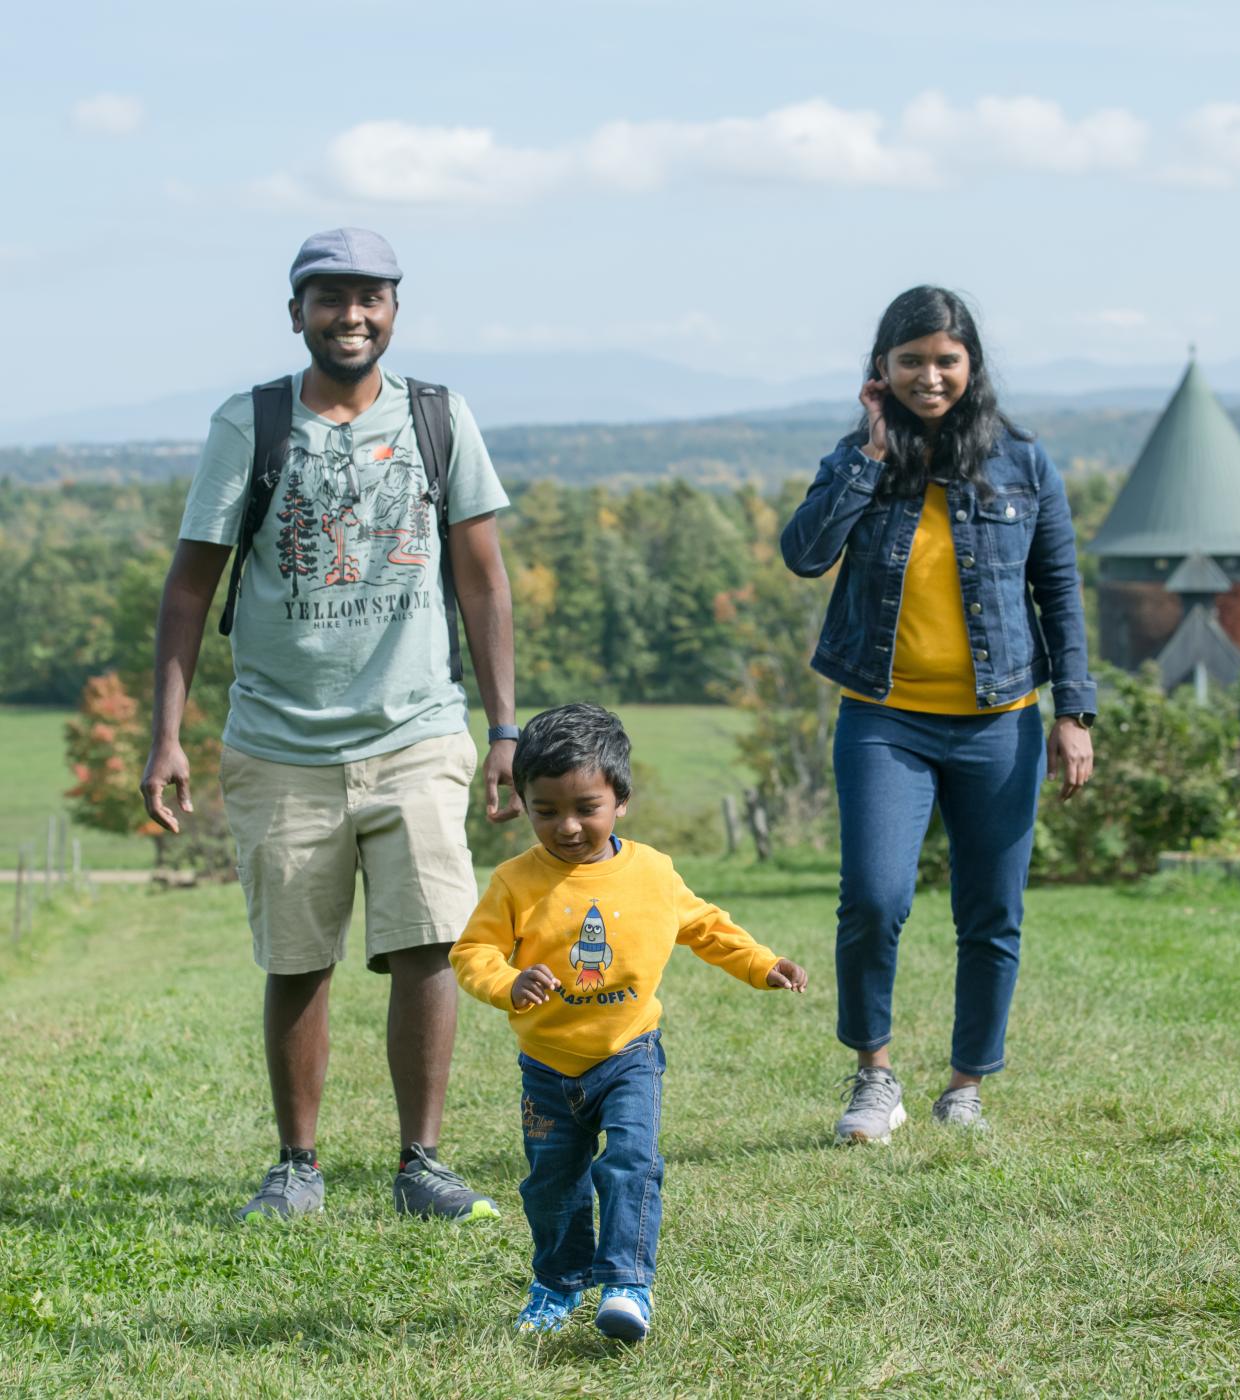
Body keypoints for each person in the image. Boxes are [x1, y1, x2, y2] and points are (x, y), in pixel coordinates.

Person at [140, 228, 522, 1221]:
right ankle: (297, 1165)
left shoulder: (438, 416)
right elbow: (189, 589)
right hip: (279, 742)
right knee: (296, 954)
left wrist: (505, 727)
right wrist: (166, 736)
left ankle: (420, 1163)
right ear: (296, 311)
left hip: (419, 727)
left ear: (395, 308)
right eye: (329, 297)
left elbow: (483, 579)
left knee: (428, 941)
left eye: (370, 297)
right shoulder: (251, 421)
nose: (351, 314)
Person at [779, 286, 1095, 1143]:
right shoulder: (858, 456)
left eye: (945, 360)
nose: (930, 375)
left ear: (972, 366)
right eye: (910, 360)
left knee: (991, 910)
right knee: (875, 899)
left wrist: (1076, 713)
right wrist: (871, 457)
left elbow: (1059, 592)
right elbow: (804, 554)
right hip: (885, 719)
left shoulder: (1023, 463)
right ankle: (874, 1078)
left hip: (1002, 722)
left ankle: (966, 1086)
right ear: (880, 371)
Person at [449, 704, 807, 1340]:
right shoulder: (514, 882)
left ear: (621, 800)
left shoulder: (652, 873)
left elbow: (707, 927)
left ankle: (626, 1285)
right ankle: (558, 1284)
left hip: (629, 1053)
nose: (566, 826)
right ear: (524, 804)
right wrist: (509, 982)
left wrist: (760, 964)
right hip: (548, 1068)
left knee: (632, 1164)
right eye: (546, 810)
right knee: (552, 1186)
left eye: (586, 807)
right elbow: (471, 953)